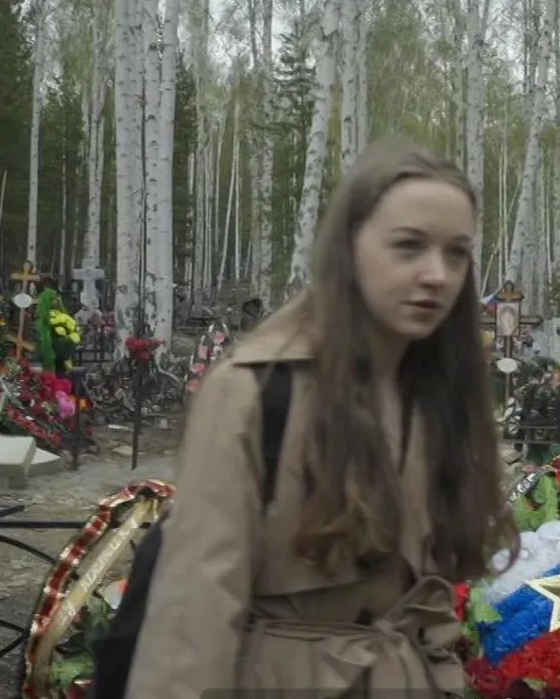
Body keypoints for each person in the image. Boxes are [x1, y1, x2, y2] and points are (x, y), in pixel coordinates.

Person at [124, 140, 516, 698]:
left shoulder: (441, 397)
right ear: (348, 248)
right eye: (409, 247)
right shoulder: (256, 392)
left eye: (456, 254)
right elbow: (192, 625)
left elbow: (427, 598)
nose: (437, 274)